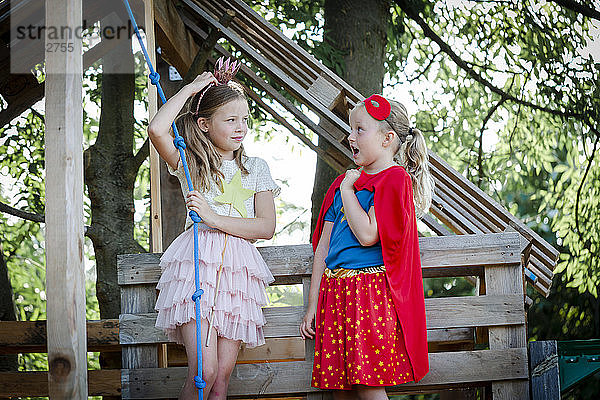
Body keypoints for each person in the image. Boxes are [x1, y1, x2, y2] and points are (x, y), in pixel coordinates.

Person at [148, 59, 280, 400]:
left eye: (245, 120)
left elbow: (266, 227)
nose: (241, 128)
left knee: (221, 378)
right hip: (197, 268)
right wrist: (191, 89)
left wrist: (214, 218)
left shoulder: (256, 168)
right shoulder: (191, 162)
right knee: (202, 373)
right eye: (230, 119)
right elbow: (158, 129)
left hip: (239, 277)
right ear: (205, 124)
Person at [300, 94, 433, 399]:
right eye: (351, 130)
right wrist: (312, 305)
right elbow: (323, 250)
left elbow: (368, 234)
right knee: (341, 390)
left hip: (368, 294)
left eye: (360, 129)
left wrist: (349, 188)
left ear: (388, 139)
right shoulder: (339, 186)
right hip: (335, 295)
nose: (351, 137)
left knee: (368, 386)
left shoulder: (394, 179)